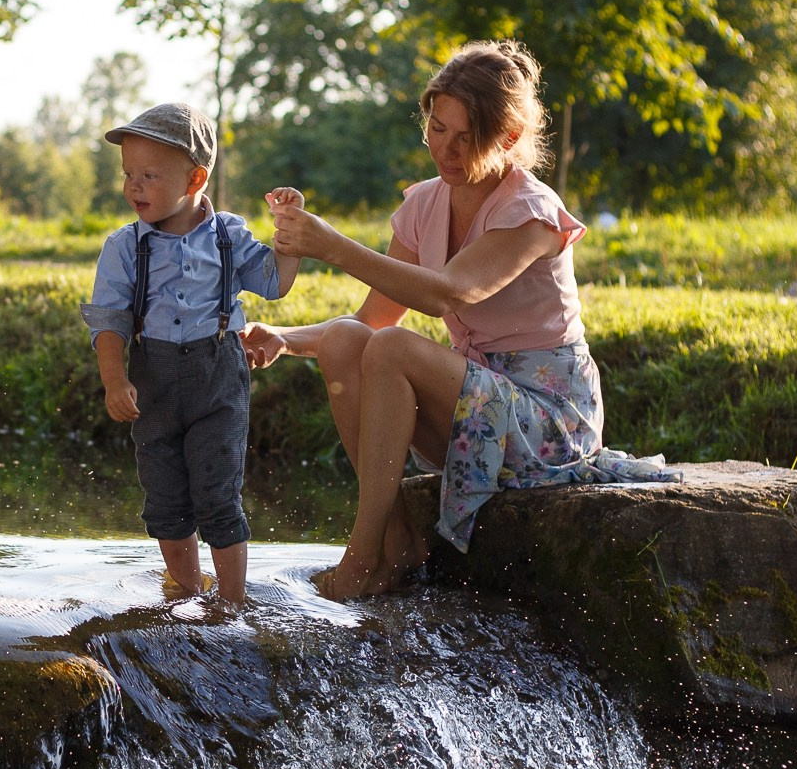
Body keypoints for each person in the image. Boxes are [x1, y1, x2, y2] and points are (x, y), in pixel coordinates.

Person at [243, 40, 665, 600]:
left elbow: (449, 294)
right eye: (438, 128)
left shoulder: (531, 213)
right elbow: (371, 319)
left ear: (508, 138)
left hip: (547, 416)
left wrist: (333, 246)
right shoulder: (423, 205)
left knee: (391, 348)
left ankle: (359, 559)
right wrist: (285, 339)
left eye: (468, 137)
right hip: (475, 403)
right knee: (349, 338)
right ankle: (396, 542)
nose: (447, 149)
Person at [83, 103, 299, 604]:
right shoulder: (123, 247)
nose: (133, 187)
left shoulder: (228, 235)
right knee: (165, 498)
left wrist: (288, 231)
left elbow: (274, 282)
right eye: (128, 175)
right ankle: (183, 595)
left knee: (218, 494)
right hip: (153, 380)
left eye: (149, 176)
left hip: (218, 373)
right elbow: (110, 322)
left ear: (196, 177)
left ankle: (232, 603)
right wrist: (115, 381)